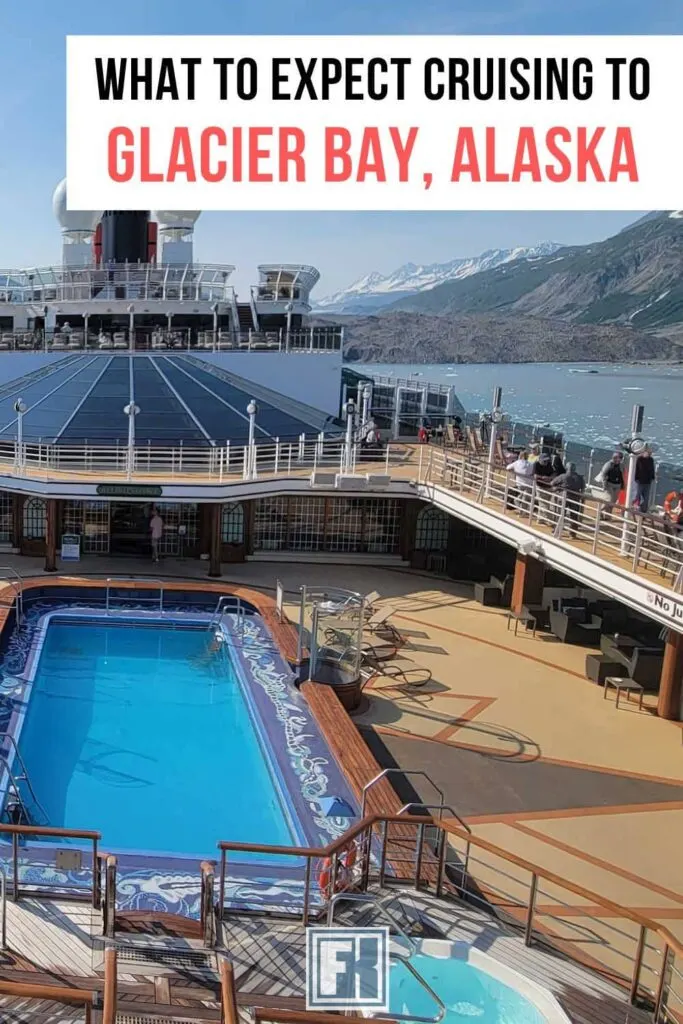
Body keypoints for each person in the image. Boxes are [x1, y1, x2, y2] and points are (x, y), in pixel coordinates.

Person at [551, 462, 586, 538]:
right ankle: (572, 533)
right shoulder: (580, 478)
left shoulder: (563, 476)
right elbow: (583, 489)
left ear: (567, 468)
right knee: (574, 516)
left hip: (563, 497)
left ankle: (557, 530)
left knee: (560, 514)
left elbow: (552, 483)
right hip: (575, 499)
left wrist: (558, 487)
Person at [595, 452, 624, 518]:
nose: (619, 459)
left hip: (618, 485)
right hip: (609, 484)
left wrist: (622, 485)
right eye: (618, 458)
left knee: (613, 501)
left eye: (620, 458)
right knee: (609, 500)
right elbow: (603, 474)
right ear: (614, 457)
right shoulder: (608, 464)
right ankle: (600, 511)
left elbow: (622, 475)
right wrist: (604, 485)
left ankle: (608, 515)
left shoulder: (621, 465)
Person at [633, 447, 656, 513]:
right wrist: (636, 478)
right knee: (638, 495)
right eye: (648, 453)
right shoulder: (639, 459)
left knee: (646, 497)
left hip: (648, 481)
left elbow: (652, 469)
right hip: (640, 480)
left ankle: (644, 510)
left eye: (650, 453)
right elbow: (637, 469)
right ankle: (636, 508)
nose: (649, 454)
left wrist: (653, 477)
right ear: (644, 452)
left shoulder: (651, 460)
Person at [533, 453, 554, 524]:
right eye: (544, 461)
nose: (546, 462)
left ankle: (540, 519)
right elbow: (535, 476)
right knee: (543, 504)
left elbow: (553, 474)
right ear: (540, 460)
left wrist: (549, 478)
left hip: (548, 487)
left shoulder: (549, 464)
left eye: (547, 461)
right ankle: (550, 520)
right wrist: (543, 478)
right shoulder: (536, 465)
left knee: (545, 504)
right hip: (540, 486)